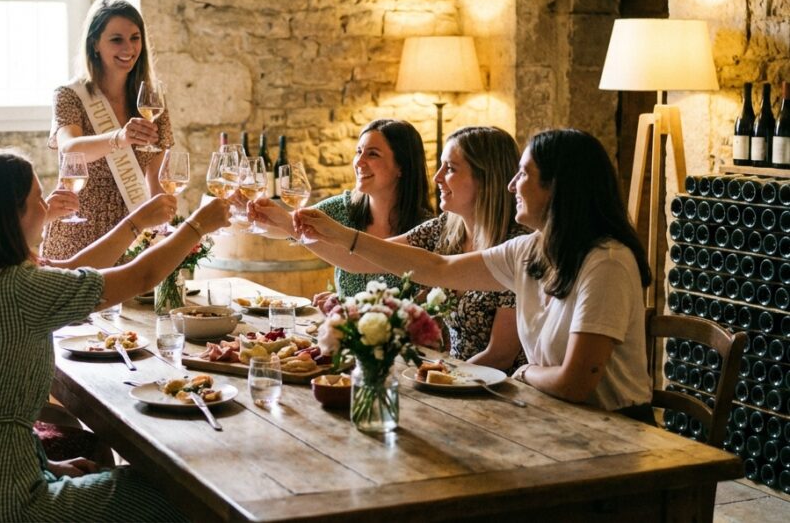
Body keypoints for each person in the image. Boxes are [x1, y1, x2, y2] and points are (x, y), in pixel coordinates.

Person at [0, 150, 229, 521]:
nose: (46, 208)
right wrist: (196, 226)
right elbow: (140, 277)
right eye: (37, 200)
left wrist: (45, 466)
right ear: (10, 217)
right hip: (4, 506)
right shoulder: (19, 287)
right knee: (181, 494)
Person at [295, 129, 652, 415]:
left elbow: (576, 383)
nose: (513, 185)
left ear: (558, 187)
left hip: (614, 429)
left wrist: (523, 373)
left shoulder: (607, 262)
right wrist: (341, 235)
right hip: (550, 413)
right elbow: (437, 267)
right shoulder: (531, 249)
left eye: (525, 173)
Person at [267, 127, 527, 372]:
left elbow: (500, 355)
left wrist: (442, 377)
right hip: (451, 374)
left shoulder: (516, 247)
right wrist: (298, 226)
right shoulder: (445, 230)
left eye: (450, 168)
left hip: (501, 390)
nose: (437, 177)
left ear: (485, 178)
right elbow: (370, 259)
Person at [42, 0, 172, 260]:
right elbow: (69, 148)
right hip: (78, 229)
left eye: (135, 38)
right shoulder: (70, 95)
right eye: (116, 39)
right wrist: (120, 137)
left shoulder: (151, 102)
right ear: (95, 43)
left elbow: (157, 179)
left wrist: (164, 229)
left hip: (132, 232)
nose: (129, 48)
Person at [249, 119, 432, 298]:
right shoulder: (344, 207)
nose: (359, 162)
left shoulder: (426, 229)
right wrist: (250, 212)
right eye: (358, 152)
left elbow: (355, 260)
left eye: (373, 154)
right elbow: (285, 228)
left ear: (402, 166)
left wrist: (346, 307)